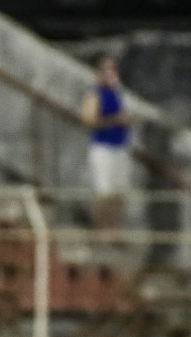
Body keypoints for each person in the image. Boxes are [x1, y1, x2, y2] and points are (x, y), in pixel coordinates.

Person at [81, 53, 132, 230]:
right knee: (104, 193)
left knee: (119, 194)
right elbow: (89, 121)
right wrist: (116, 120)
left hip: (119, 147)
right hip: (103, 148)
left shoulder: (117, 93)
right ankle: (102, 229)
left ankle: (114, 229)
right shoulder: (95, 94)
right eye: (107, 70)